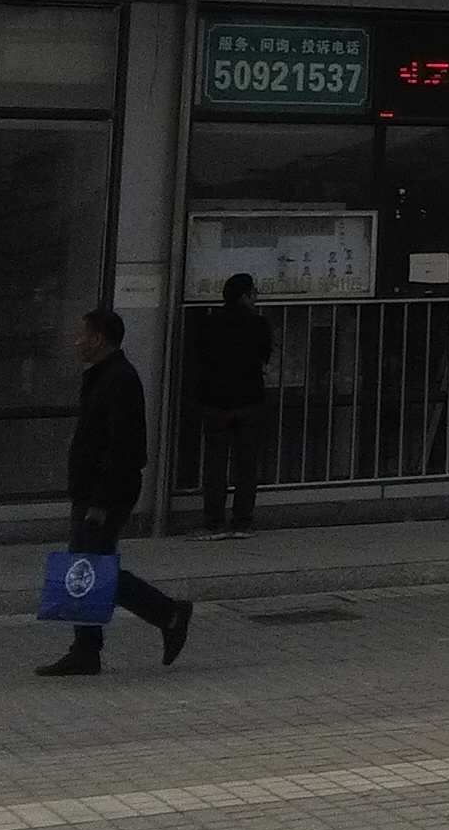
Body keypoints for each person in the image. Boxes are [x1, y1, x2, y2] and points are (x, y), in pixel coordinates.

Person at [38, 307, 192, 677]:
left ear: (98, 340)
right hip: (91, 491)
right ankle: (89, 647)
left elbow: (124, 447)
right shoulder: (101, 376)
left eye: (83, 336)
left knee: (91, 569)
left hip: (104, 495)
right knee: (87, 567)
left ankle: (168, 614)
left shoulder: (120, 379)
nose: (77, 342)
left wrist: (101, 503)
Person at [193, 272, 273, 539]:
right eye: (254, 293)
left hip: (214, 401)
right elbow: (264, 356)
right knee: (246, 465)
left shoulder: (209, 322)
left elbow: (199, 355)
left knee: (215, 465)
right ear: (245, 296)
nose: (256, 298)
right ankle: (242, 521)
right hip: (249, 400)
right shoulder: (258, 324)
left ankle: (214, 521)